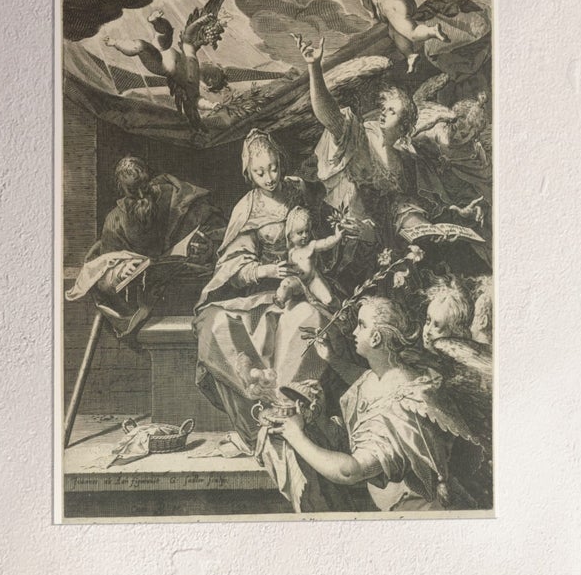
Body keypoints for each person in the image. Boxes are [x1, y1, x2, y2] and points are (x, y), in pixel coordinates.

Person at [273, 296, 475, 513]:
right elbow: (361, 380)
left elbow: (350, 472)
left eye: (361, 325)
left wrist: (295, 435)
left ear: (376, 338)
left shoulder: (400, 405)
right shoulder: (383, 376)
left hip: (420, 511)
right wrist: (332, 362)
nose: (354, 332)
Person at [193, 130, 331, 439]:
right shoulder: (247, 208)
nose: (269, 178)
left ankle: (294, 408)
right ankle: (261, 412)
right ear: (248, 173)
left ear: (281, 163)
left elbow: (320, 229)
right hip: (257, 293)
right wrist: (266, 270)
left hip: (301, 286)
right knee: (216, 324)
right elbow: (233, 268)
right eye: (260, 172)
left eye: (273, 168)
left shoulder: (299, 190)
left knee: (310, 319)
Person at [295, 35, 428, 255]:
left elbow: (397, 207)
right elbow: (329, 116)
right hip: (342, 226)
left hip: (376, 234)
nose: (383, 113)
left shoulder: (404, 161)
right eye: (384, 108)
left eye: (392, 111)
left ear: (404, 125)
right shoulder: (359, 135)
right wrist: (314, 68)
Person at [65, 155, 216, 338]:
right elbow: (106, 266)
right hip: (147, 299)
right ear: (121, 188)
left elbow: (218, 232)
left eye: (143, 187)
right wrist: (120, 269)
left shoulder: (180, 199)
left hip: (190, 289)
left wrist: (207, 246)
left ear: (150, 180)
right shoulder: (115, 219)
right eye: (133, 191)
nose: (141, 196)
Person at [282, 205, 345, 310]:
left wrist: (336, 237)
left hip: (313, 280)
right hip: (298, 281)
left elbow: (326, 243)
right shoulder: (291, 251)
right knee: (285, 285)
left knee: (328, 299)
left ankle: (341, 311)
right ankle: (280, 301)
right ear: (290, 235)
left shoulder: (311, 246)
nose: (305, 235)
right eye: (300, 233)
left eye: (307, 231)